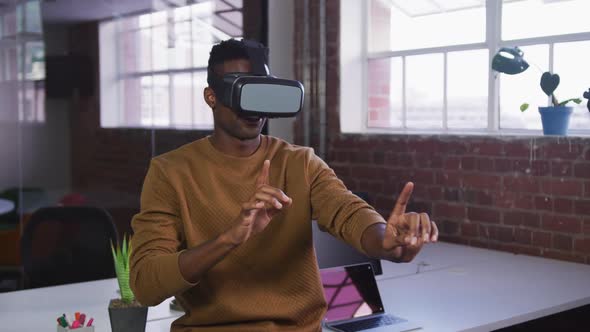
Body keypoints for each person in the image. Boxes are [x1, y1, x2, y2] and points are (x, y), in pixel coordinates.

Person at [129, 38, 438, 332]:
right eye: (241, 90)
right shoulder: (170, 172)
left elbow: (347, 211)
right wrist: (230, 238)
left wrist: (387, 241)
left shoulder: (300, 163)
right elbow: (145, 285)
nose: (253, 107)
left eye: (261, 91)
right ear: (212, 96)